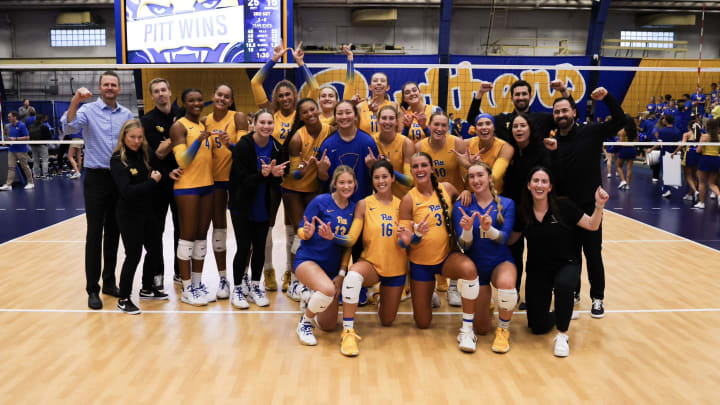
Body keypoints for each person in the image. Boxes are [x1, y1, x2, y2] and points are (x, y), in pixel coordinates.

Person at [509, 167, 608, 357]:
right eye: (535, 181)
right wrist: (488, 229)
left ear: (550, 186)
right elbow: (510, 239)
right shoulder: (524, 211)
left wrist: (599, 206)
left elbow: (592, 225)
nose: (539, 185)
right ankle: (563, 311)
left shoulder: (563, 206)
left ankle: (562, 335)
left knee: (564, 285)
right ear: (529, 185)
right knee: (537, 327)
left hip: (566, 264)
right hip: (538, 270)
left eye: (544, 181)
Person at [543, 87, 625, 318]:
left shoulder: (591, 132)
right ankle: (574, 291)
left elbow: (621, 119)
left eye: (564, 110)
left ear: (574, 113)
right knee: (570, 255)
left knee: (592, 254)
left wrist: (608, 97)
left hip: (590, 205)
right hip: (565, 208)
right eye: (557, 112)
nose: (561, 115)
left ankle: (597, 298)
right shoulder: (552, 143)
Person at [61, 71, 133, 310]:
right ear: (100, 88)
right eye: (106, 84)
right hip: (96, 178)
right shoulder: (87, 110)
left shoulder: (127, 114)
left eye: (113, 84)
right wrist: (76, 100)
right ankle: (92, 289)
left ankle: (109, 282)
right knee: (94, 234)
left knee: (114, 233)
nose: (110, 88)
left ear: (119, 89)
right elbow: (69, 127)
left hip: (118, 178)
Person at [251, 42, 319, 293]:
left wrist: (301, 64)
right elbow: (255, 84)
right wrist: (273, 60)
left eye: (288, 94)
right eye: (280, 95)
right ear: (275, 99)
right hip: (271, 176)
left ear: (295, 96)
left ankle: (292, 272)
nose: (285, 98)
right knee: (267, 224)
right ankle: (268, 270)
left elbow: (314, 88)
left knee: (293, 228)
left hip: (294, 178)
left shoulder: (301, 114)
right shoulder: (269, 113)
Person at [398, 152, 480, 353]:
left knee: (469, 270)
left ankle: (467, 329)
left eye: (424, 165)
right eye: (415, 166)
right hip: (420, 265)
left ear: (431, 168)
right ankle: (430, 293)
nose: (419, 170)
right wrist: (416, 235)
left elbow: (466, 200)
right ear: (411, 171)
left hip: (446, 259)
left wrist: (467, 191)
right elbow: (403, 242)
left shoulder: (447, 188)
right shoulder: (408, 200)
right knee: (423, 323)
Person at [338, 160, 408, 356]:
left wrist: (409, 236)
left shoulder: (402, 205)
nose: (381, 181)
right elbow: (352, 237)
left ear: (393, 178)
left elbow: (409, 241)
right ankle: (348, 331)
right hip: (371, 264)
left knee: (387, 321)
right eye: (376, 177)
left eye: (385, 176)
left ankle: (379, 296)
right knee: (353, 277)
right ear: (372, 180)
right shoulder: (364, 203)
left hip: (396, 270)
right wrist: (334, 238)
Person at [453, 163, 516, 353]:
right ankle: (484, 303)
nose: (476, 180)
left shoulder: (506, 204)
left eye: (480, 175)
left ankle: (503, 330)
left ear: (490, 178)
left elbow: (504, 239)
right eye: (471, 177)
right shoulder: (461, 205)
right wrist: (467, 231)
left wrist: (489, 230)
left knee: (506, 285)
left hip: (500, 262)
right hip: (476, 268)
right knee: (481, 329)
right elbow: (464, 246)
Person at [228, 109, 287, 308]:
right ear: (253, 122)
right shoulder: (244, 146)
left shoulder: (277, 148)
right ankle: (237, 289)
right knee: (244, 248)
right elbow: (242, 180)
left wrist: (277, 175)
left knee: (260, 247)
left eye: (270, 122)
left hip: (263, 205)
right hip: (242, 205)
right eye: (262, 122)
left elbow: (275, 177)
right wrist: (265, 175)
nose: (266, 126)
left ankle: (254, 287)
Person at [294, 166, 357, 346]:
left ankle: (310, 297)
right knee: (328, 291)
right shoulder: (320, 202)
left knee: (328, 326)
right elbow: (301, 229)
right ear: (335, 184)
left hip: (331, 269)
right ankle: (304, 324)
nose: (346, 186)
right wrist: (307, 232)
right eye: (342, 182)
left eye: (350, 182)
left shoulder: (354, 209)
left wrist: (341, 274)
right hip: (308, 259)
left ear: (355, 184)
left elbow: (348, 247)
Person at [110, 119, 166, 314]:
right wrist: (152, 182)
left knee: (155, 249)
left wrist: (169, 173)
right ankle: (123, 298)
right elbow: (127, 191)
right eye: (132, 137)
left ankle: (147, 288)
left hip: (147, 211)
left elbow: (160, 170)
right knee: (133, 255)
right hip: (129, 213)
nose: (136, 141)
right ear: (124, 137)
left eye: (139, 137)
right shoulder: (118, 159)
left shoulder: (145, 153)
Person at [281, 98, 333, 300]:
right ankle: (295, 282)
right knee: (300, 233)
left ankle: (310, 279)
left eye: (313, 109)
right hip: (293, 190)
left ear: (318, 110)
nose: (310, 114)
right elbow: (292, 175)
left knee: (314, 234)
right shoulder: (296, 139)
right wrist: (304, 167)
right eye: (305, 112)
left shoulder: (329, 129)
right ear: (300, 117)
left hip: (314, 188)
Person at [416, 111, 468, 302]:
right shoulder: (419, 146)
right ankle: (433, 289)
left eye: (443, 125)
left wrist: (468, 190)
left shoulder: (457, 143)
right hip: (430, 201)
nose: (439, 128)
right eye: (435, 124)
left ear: (448, 127)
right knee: (430, 242)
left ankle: (453, 287)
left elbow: (468, 171)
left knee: (454, 243)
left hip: (454, 198)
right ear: (429, 125)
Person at [203, 83, 249, 298]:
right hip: (215, 181)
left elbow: (244, 151)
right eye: (219, 94)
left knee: (244, 230)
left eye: (226, 96)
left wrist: (230, 144)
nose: (222, 98)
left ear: (231, 101)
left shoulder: (238, 117)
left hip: (238, 181)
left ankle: (244, 275)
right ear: (213, 96)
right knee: (219, 229)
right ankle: (223, 279)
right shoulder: (205, 121)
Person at [169, 88, 214, 306]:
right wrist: (198, 141)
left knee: (201, 236)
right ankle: (186, 288)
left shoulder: (203, 125)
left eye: (199, 100)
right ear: (184, 104)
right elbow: (183, 161)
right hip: (187, 187)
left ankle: (197, 284)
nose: (196, 103)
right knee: (187, 236)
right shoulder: (178, 127)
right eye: (191, 100)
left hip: (207, 185)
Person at [502, 113, 550, 308]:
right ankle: (513, 294)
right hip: (514, 212)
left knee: (537, 256)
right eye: (515, 126)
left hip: (536, 211)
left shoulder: (540, 151)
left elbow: (546, 182)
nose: (519, 129)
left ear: (530, 128)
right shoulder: (510, 152)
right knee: (514, 254)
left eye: (523, 126)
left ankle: (535, 298)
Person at [140, 77, 183, 291]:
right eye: (156, 91)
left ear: (169, 90)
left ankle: (180, 271)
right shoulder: (147, 121)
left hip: (182, 180)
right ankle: (156, 274)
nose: (161, 94)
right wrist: (173, 141)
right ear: (152, 96)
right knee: (156, 230)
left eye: (163, 89)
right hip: (158, 182)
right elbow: (155, 154)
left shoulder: (182, 116)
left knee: (182, 229)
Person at [466, 79, 570, 144]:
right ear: (512, 99)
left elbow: (571, 117)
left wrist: (564, 90)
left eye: (524, 94)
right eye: (517, 94)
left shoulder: (542, 119)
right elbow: (472, 118)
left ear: (530, 97)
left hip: (536, 173)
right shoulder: (502, 120)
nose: (521, 97)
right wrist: (480, 93)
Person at [344, 46, 397, 136]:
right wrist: (352, 106)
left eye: (382, 81)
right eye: (375, 81)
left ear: (387, 87)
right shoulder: (360, 106)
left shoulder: (393, 105)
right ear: (370, 87)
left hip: (385, 146)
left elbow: (396, 131)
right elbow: (353, 131)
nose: (379, 83)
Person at [462, 113, 514, 194]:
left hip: (494, 195)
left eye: (488, 123)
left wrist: (472, 165)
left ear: (494, 128)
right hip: (471, 195)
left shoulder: (505, 148)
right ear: (475, 129)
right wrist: (465, 191)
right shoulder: (466, 144)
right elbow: (464, 178)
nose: (484, 127)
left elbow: (494, 177)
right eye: (480, 124)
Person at [374, 105, 414, 198]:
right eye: (384, 118)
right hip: (378, 200)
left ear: (396, 122)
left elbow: (410, 181)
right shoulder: (371, 141)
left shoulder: (406, 143)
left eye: (391, 118)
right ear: (378, 120)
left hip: (401, 198)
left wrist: (390, 170)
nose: (387, 122)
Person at [0, 111, 34, 191]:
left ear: (15, 117)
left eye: (10, 117)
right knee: (11, 167)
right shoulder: (10, 126)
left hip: (21, 150)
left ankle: (31, 182)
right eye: (8, 117)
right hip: (12, 150)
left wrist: (16, 139)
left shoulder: (22, 125)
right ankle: (8, 184)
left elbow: (27, 137)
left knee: (25, 167)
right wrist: (7, 143)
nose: (8, 118)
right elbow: (10, 137)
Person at [672, 118, 701, 202]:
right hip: (698, 155)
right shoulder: (701, 134)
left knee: (688, 176)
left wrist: (675, 152)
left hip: (689, 154)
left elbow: (682, 145)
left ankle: (695, 191)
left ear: (689, 127)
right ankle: (690, 194)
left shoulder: (687, 134)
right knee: (694, 176)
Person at [694, 118, 720, 209]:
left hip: (706, 159)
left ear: (707, 127)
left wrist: (697, 147)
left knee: (701, 182)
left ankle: (702, 203)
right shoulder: (719, 137)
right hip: (716, 159)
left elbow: (698, 150)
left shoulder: (704, 137)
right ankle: (719, 195)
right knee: (712, 183)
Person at [616, 115, 638, 191]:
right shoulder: (635, 131)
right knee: (629, 168)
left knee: (618, 166)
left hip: (624, 149)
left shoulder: (623, 131)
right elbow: (637, 141)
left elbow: (620, 142)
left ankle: (623, 181)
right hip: (632, 149)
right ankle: (628, 185)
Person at [29, 113, 51, 179]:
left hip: (33, 146)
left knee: (35, 161)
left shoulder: (30, 127)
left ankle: (36, 175)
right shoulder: (45, 127)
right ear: (42, 119)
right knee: (44, 160)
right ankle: (45, 175)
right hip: (42, 145)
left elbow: (29, 136)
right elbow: (49, 137)